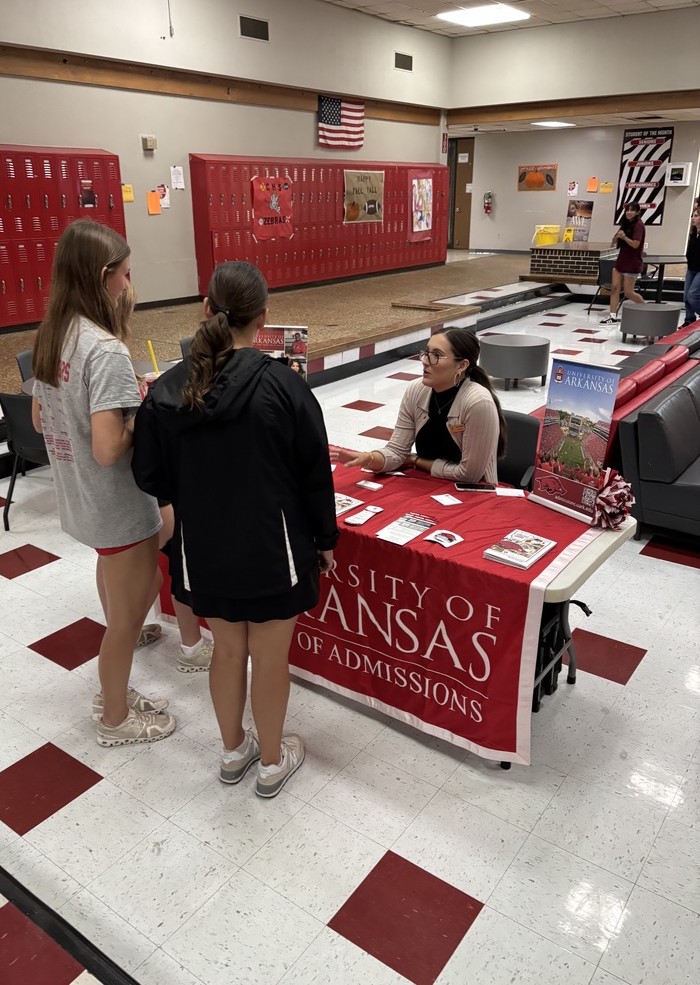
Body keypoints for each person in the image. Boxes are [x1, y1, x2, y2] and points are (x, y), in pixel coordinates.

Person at [132, 261, 338, 797]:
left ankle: (232, 751)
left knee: (226, 651)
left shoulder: (167, 391)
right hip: (275, 547)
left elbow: (149, 474)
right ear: (264, 317)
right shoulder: (284, 387)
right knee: (270, 657)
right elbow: (316, 475)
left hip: (203, 546)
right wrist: (325, 540)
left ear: (205, 310)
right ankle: (272, 762)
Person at [32, 219, 175, 747]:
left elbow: (39, 420)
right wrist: (145, 408)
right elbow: (109, 447)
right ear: (103, 275)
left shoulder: (54, 332)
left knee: (120, 603)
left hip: (80, 498)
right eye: (127, 273)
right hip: (116, 504)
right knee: (129, 617)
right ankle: (114, 717)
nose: (129, 284)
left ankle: (116, 693)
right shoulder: (104, 349)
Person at [118, 282, 214, 671]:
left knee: (151, 568)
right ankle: (184, 644)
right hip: (157, 489)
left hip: (136, 486)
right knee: (170, 568)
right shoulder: (109, 355)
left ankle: (135, 630)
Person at [330, 327, 506, 484]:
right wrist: (367, 458)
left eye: (436, 355)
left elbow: (469, 475)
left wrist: (415, 461)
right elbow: (397, 452)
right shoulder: (416, 391)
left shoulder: (477, 402)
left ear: (462, 365)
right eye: (426, 352)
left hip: (472, 493)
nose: (425, 361)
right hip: (427, 482)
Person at [600, 202, 646, 324]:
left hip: (632, 263)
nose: (628, 213)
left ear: (637, 212)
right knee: (615, 288)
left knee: (628, 293)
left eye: (632, 210)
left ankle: (645, 308)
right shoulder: (625, 224)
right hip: (621, 261)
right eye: (627, 210)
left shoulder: (639, 225)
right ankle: (612, 315)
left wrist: (624, 237)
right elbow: (614, 241)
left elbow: (636, 244)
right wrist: (616, 237)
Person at [682, 206, 700, 327]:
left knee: (692, 295)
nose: (693, 218)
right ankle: (689, 319)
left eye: (696, 216)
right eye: (692, 216)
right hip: (691, 268)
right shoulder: (693, 233)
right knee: (686, 296)